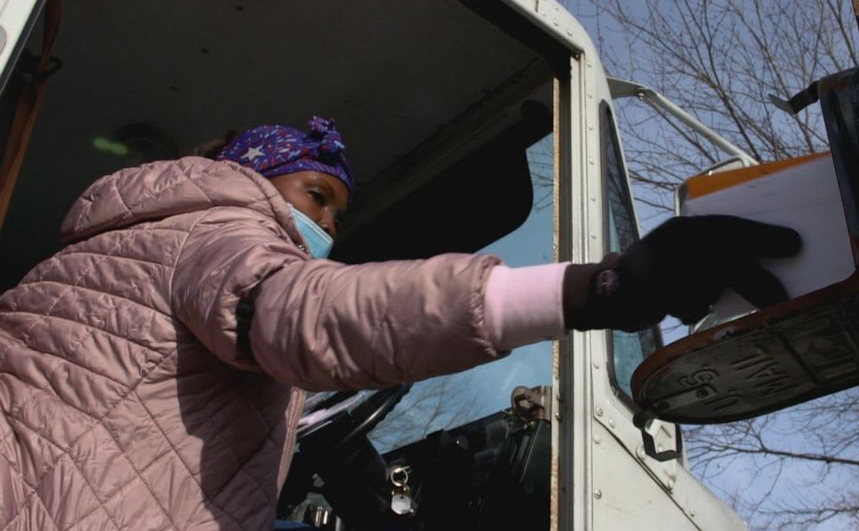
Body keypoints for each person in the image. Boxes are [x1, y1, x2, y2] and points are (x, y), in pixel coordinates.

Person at [0, 116, 800, 530]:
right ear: (250, 174)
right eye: (317, 198)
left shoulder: (113, 251)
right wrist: (598, 292)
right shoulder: (215, 232)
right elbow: (311, 313)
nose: (330, 230)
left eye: (340, 216)